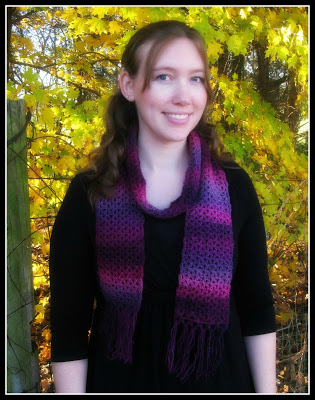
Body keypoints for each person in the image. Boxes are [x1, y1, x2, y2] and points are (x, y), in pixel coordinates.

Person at [49, 20, 277, 393]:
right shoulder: (88, 193)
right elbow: (69, 326)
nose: (184, 97)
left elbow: (257, 309)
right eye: (164, 77)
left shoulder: (235, 187)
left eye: (196, 79)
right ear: (129, 85)